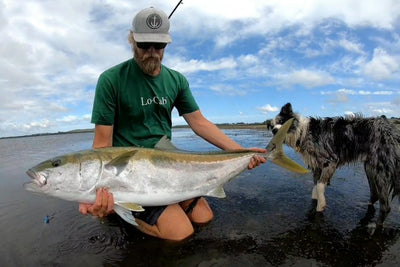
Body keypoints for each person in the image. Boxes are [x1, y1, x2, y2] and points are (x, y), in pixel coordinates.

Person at [79, 7, 266, 241]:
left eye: (159, 46)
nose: (151, 53)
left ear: (166, 45)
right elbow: (102, 143)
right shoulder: (111, 80)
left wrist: (239, 151)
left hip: (168, 166)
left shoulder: (176, 80)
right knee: (181, 232)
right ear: (132, 40)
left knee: (204, 218)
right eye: (144, 45)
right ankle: (123, 210)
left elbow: (199, 122)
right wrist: (97, 194)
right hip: (131, 175)